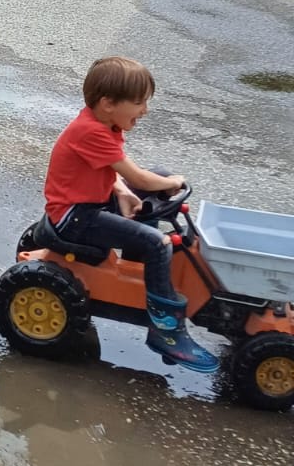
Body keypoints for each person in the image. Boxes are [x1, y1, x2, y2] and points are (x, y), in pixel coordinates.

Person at [44, 55, 216, 372]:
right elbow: (139, 178)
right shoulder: (91, 131)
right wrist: (173, 183)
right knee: (159, 242)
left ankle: (138, 267)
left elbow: (109, 171)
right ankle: (164, 330)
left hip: (91, 203)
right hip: (75, 217)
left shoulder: (104, 124)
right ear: (108, 103)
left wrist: (122, 192)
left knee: (158, 177)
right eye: (139, 103)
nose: (145, 110)